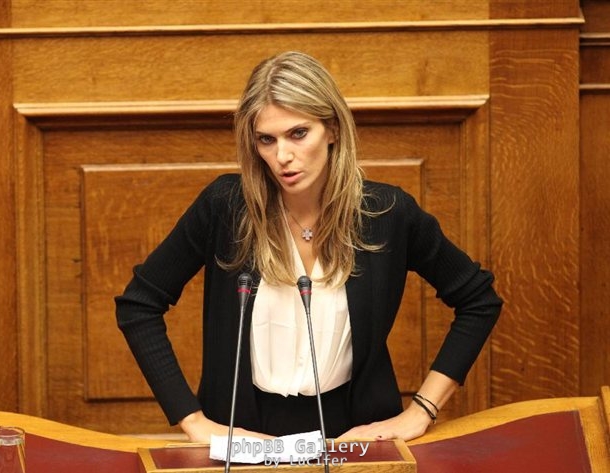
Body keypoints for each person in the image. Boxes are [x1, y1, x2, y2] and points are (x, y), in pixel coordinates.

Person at [115, 51, 502, 443]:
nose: (282, 157)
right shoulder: (225, 208)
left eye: (298, 134)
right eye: (267, 140)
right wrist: (193, 420)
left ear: (332, 129)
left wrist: (423, 410)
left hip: (354, 437)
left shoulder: (386, 213)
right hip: (242, 436)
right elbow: (139, 304)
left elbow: (478, 299)